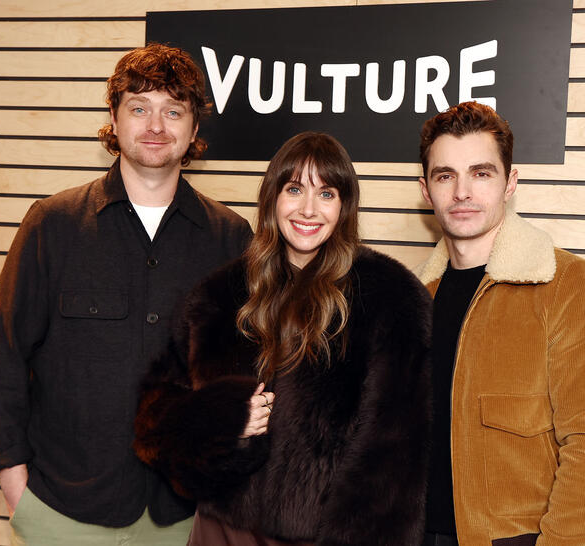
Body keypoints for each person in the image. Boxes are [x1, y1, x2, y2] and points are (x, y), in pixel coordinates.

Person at [0, 44, 252, 544]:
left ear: (193, 129)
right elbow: (1, 358)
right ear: (114, 120)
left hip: (184, 517)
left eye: (174, 111)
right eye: (139, 108)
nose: (156, 125)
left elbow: (243, 371)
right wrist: (15, 484)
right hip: (62, 511)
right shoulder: (52, 226)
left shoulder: (230, 238)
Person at [133, 132, 432, 545]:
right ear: (272, 197)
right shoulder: (216, 297)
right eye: (294, 189)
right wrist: (222, 422)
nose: (308, 209)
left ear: (344, 206)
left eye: (326, 193)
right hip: (222, 531)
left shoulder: (391, 298)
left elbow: (395, 459)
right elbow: (154, 424)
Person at [416, 101, 585, 546]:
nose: (462, 192)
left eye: (481, 173)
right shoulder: (415, 296)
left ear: (509, 183)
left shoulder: (567, 285)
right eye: (445, 176)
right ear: (426, 189)